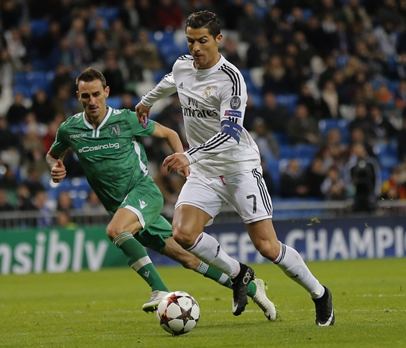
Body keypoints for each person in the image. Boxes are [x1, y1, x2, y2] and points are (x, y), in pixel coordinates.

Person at [135, 10, 334, 326]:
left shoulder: (231, 80)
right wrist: (147, 102)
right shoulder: (183, 65)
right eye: (190, 41)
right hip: (204, 171)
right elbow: (171, 81)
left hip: (240, 168)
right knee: (183, 234)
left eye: (202, 41)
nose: (196, 48)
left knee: (267, 247)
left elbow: (229, 133)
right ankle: (239, 273)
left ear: (218, 40)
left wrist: (189, 155)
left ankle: (320, 294)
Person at [47, 67, 276, 320]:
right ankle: (254, 287)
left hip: (143, 193)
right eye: (85, 96)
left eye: (96, 94)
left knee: (115, 230)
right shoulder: (69, 129)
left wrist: (185, 162)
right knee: (188, 259)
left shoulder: (126, 119)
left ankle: (159, 290)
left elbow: (170, 133)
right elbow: (53, 155)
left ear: (107, 92)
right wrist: (55, 169)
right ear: (77, 96)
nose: (92, 101)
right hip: (124, 209)